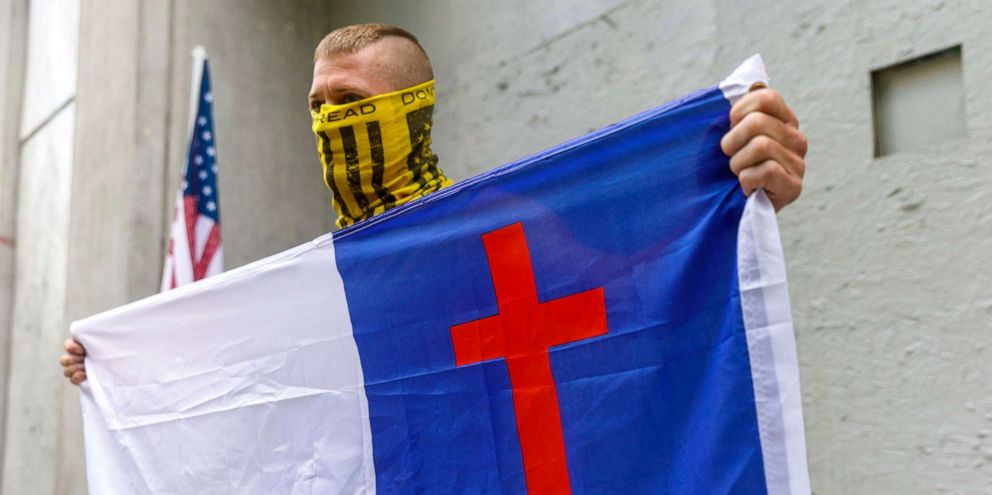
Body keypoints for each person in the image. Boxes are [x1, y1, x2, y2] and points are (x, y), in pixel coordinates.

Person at [61, 22, 807, 384]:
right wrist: (122, 368)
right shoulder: (314, 274)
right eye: (316, 105)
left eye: (348, 102)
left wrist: (739, 197)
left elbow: (641, 302)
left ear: (413, 113)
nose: (327, 124)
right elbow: (240, 386)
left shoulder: (505, 233)